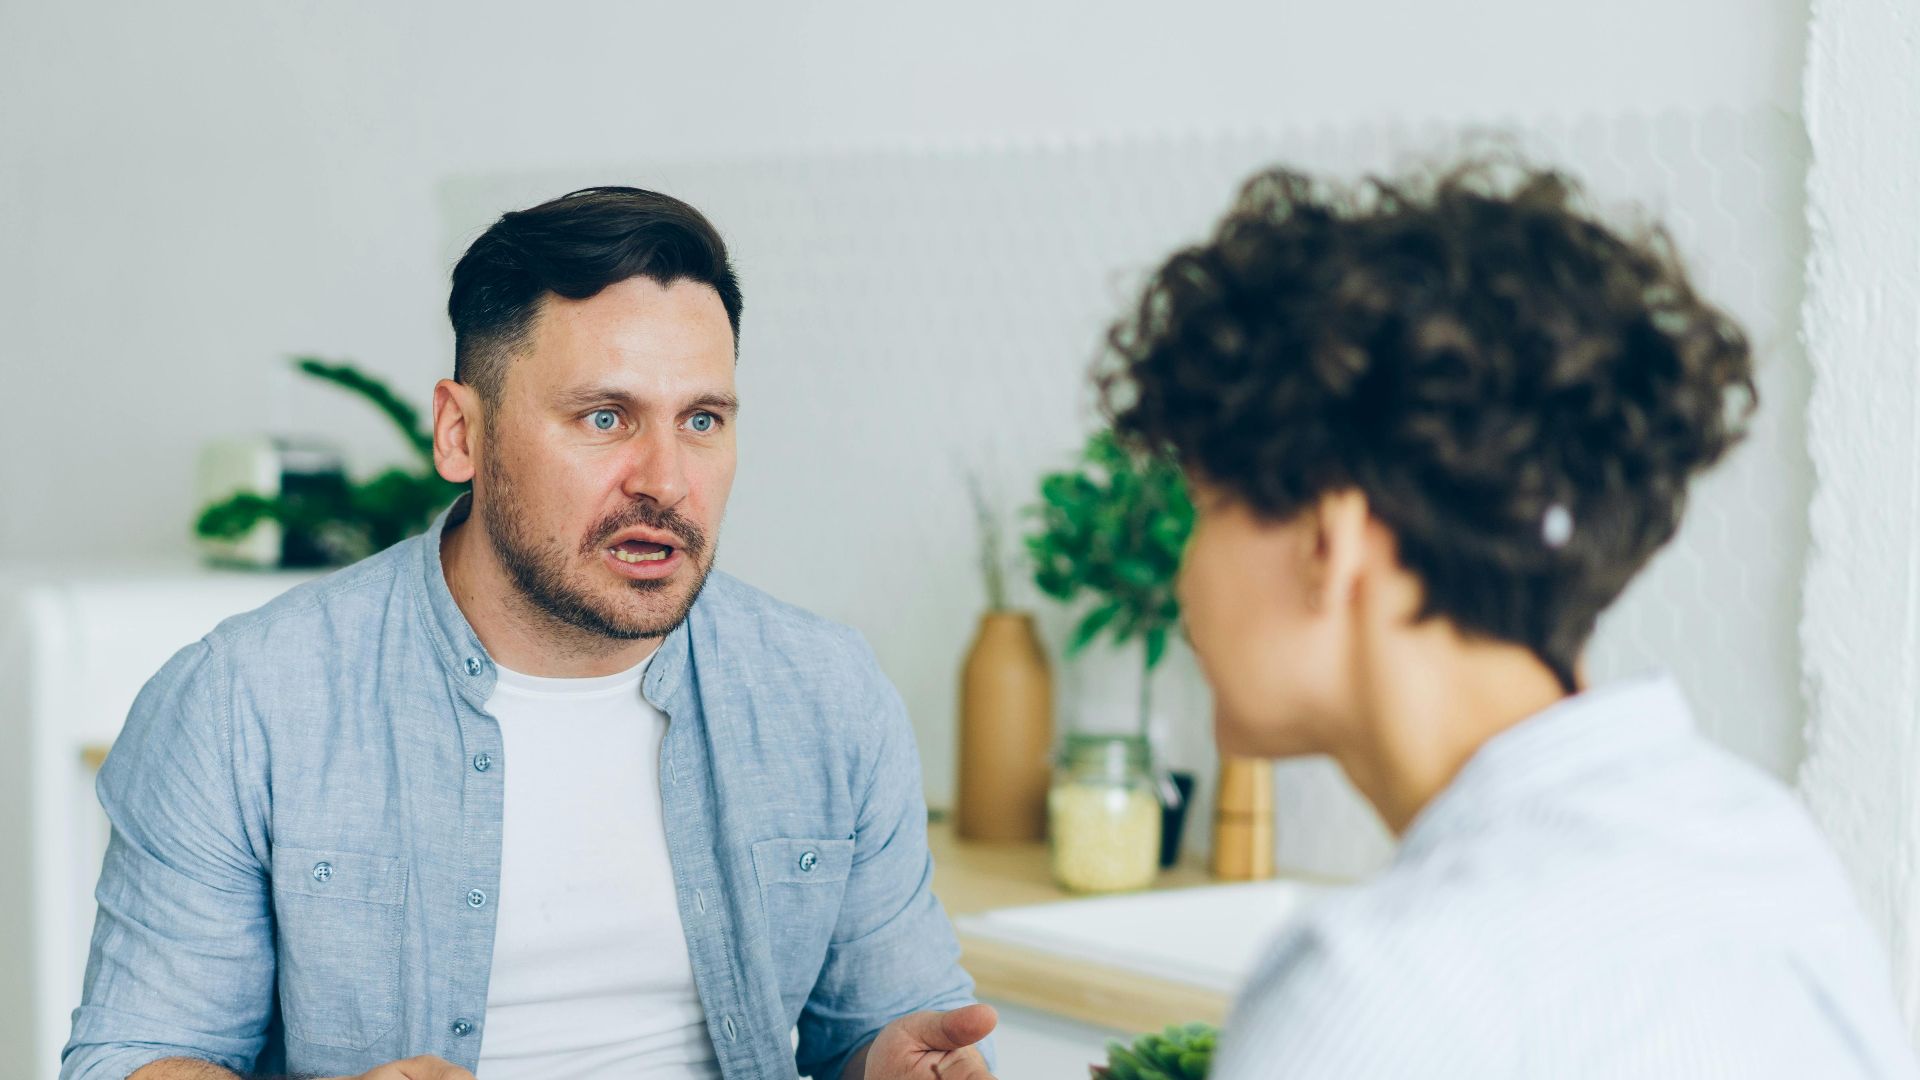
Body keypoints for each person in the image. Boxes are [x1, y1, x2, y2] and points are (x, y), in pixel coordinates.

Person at [61, 187, 997, 1080]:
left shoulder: (828, 694)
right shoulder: (244, 703)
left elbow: (884, 1027)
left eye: (702, 419)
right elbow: (132, 1057)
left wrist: (896, 1063)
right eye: (605, 417)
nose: (666, 481)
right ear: (461, 435)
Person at [1100, 160, 1920, 1077]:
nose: (1183, 577)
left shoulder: (1378, 991)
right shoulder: (1762, 845)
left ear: (1330, 544)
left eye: (1204, 504)